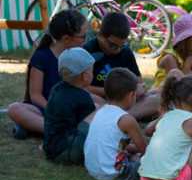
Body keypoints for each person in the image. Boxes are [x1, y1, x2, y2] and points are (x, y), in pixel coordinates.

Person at [8, 10, 88, 139]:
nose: (86, 40)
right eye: (83, 36)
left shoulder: (77, 55)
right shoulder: (41, 57)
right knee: (15, 109)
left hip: (70, 108)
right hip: (44, 109)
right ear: (66, 38)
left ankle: (36, 128)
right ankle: (56, 131)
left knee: (98, 103)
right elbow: (35, 96)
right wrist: (54, 110)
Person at [84, 12, 159, 120]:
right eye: (112, 45)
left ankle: (118, 118)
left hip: (124, 102)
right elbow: (81, 87)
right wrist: (113, 92)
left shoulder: (125, 52)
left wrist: (139, 89)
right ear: (100, 35)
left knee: (157, 98)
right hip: (102, 100)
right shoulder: (87, 52)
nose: (117, 50)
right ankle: (121, 118)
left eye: (121, 45)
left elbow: (139, 81)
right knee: (89, 99)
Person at [84, 68, 148, 180]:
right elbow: (144, 149)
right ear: (131, 95)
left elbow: (113, 143)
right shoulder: (126, 119)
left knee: (132, 154)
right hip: (114, 173)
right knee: (148, 163)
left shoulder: (100, 112)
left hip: (93, 170)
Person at [42, 48, 96, 165]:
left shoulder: (56, 89)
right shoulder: (83, 98)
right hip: (68, 151)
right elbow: (91, 130)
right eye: (92, 70)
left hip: (51, 148)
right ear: (85, 76)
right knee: (98, 115)